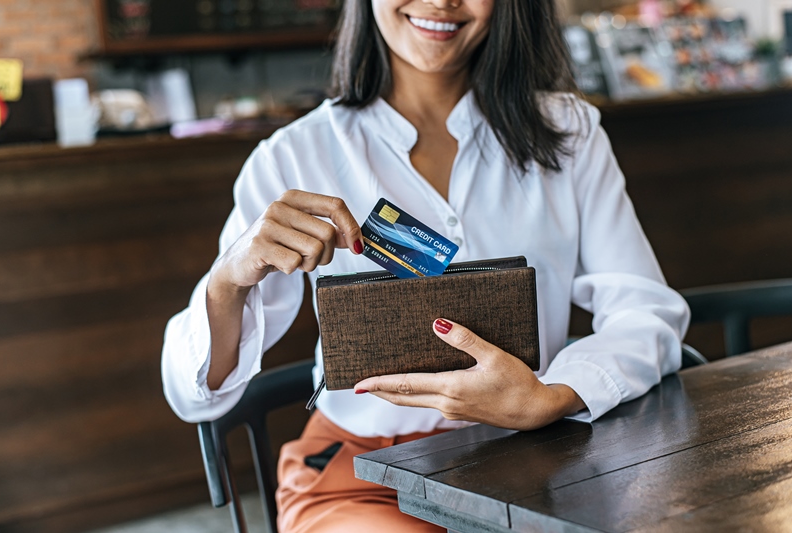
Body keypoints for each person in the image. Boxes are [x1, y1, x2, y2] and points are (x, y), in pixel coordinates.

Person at [162, 0, 690, 531]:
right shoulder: (293, 156)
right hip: (367, 476)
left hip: (538, 462)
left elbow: (646, 312)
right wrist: (228, 281)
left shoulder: (569, 130)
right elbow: (195, 394)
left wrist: (550, 398)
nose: (441, 2)